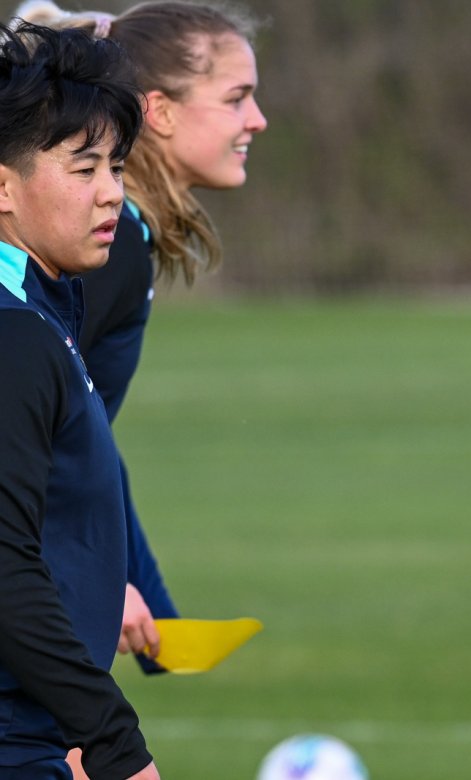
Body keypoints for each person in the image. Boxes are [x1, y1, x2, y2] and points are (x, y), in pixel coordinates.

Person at [0, 21, 161, 780]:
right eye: (83, 166)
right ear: (4, 185)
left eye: (117, 166)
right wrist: (112, 741)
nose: (111, 193)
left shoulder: (44, 314)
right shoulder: (14, 336)